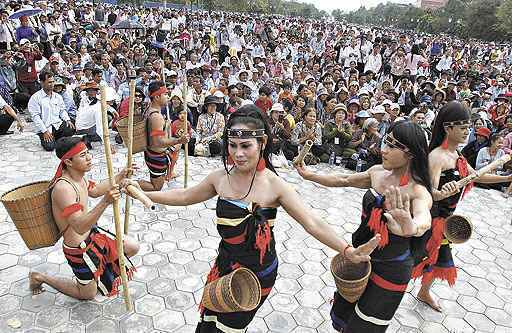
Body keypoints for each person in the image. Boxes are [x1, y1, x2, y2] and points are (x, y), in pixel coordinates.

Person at [122, 105, 380, 333]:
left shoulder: (274, 185)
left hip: (258, 274)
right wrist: (146, 193)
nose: (238, 154)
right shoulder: (220, 178)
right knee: (209, 322)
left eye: (246, 146)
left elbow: (311, 222)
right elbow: (185, 195)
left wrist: (348, 250)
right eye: (233, 146)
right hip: (225, 265)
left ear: (262, 143)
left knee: (229, 328)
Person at [296, 120, 433, 332]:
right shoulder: (377, 172)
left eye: (392, 145)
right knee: (346, 314)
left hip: (391, 267)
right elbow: (344, 179)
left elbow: (424, 219)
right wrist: (310, 175)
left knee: (365, 325)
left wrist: (411, 227)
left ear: (411, 153)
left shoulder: (418, 191)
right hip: (360, 256)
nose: (383, 149)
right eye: (386, 141)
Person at [412, 101, 512, 312]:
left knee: (440, 258)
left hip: (446, 221)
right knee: (413, 259)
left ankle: (423, 292)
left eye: (469, 127)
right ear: (448, 128)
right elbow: (427, 193)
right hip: (428, 219)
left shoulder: (458, 156)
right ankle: (387, 290)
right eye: (464, 127)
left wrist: (508, 177)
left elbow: (478, 177)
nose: (469, 131)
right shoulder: (437, 156)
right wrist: (440, 192)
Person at [29, 136, 139, 299]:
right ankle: (40, 277)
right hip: (78, 248)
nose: (89, 158)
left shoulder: (79, 177)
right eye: (82, 155)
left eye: (87, 153)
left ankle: (97, 273)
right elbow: (79, 226)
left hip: (94, 235)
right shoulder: (63, 189)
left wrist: (120, 175)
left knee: (132, 246)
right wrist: (105, 202)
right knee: (87, 294)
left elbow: (95, 190)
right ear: (68, 162)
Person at [141, 81, 189, 191]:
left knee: (176, 148)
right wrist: (179, 140)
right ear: (157, 96)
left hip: (153, 152)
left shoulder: (150, 110)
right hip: (156, 156)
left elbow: (156, 135)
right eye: (166, 94)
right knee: (156, 187)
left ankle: (170, 172)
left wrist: (167, 126)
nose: (168, 96)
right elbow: (158, 141)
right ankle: (126, 184)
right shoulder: (156, 117)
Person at [28, 71, 75, 151]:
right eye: (49, 82)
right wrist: (45, 131)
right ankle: (55, 140)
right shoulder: (35, 98)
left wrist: (67, 120)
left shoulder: (57, 96)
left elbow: (62, 111)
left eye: (53, 82)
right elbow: (36, 117)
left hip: (57, 125)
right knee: (49, 147)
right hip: (45, 128)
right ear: (42, 83)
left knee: (71, 126)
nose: (52, 84)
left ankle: (57, 139)